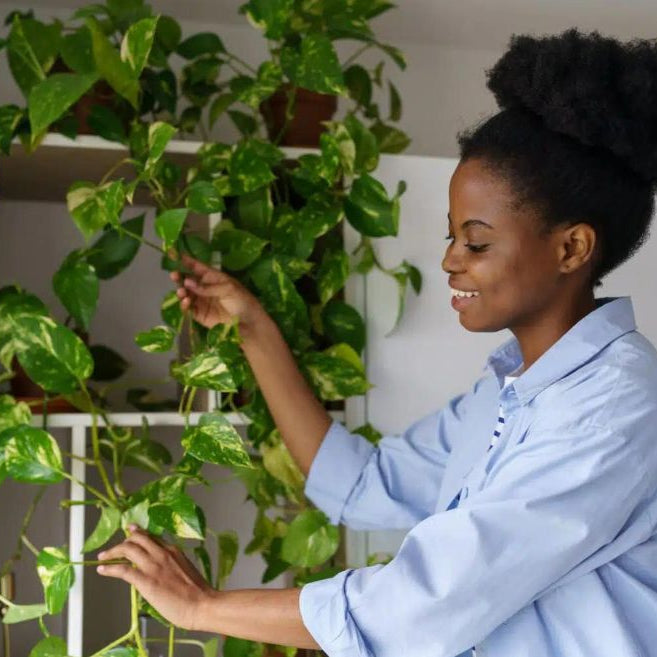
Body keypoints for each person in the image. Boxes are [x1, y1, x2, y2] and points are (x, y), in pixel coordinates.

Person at [98, 28, 657, 657]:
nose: (450, 260)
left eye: (475, 242)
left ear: (571, 248)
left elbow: (424, 605)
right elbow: (360, 484)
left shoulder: (616, 408)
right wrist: (252, 327)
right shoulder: (501, 397)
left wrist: (203, 606)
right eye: (451, 237)